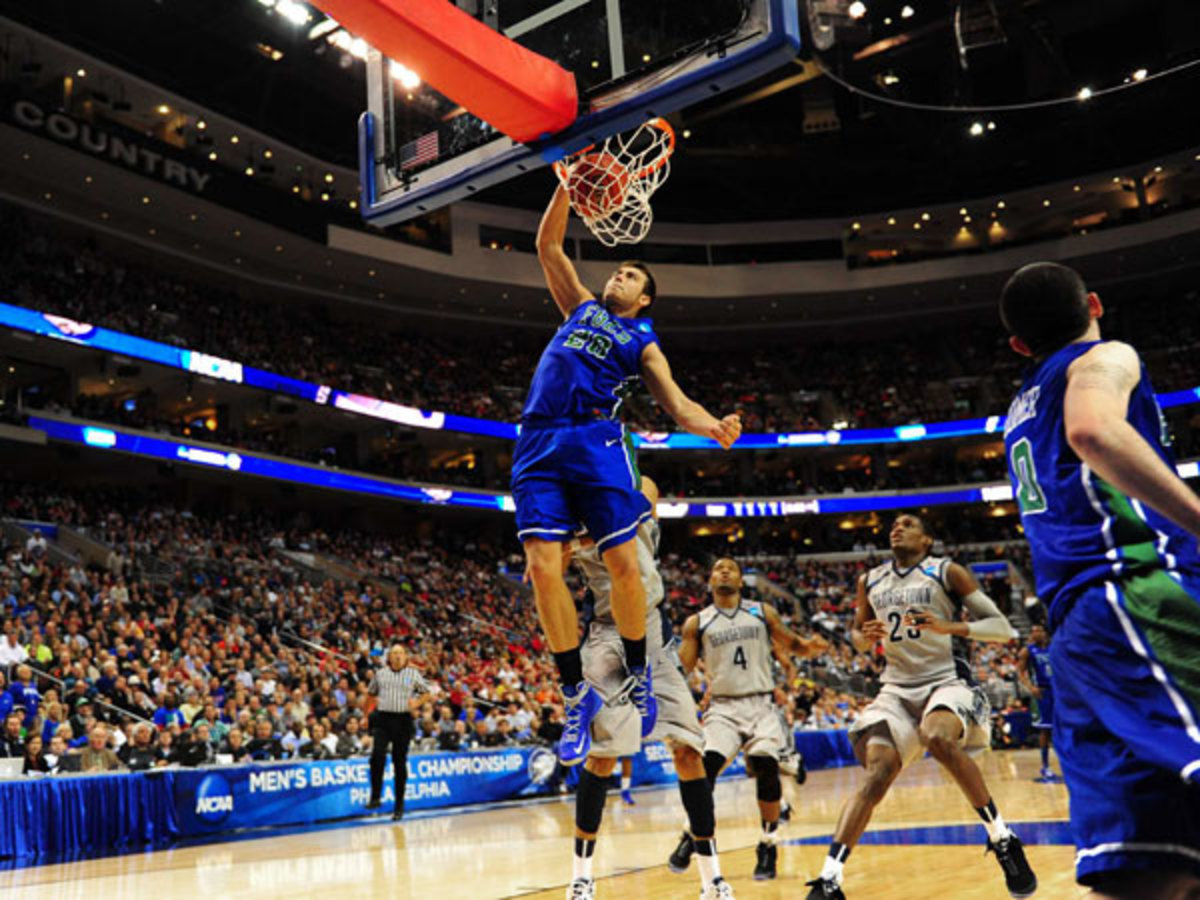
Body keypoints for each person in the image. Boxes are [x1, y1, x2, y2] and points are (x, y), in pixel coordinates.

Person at [516, 184, 742, 765]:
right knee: (543, 570)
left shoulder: (643, 340)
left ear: (645, 300)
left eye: (630, 277)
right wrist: (566, 184)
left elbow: (677, 405)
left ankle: (639, 674)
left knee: (621, 563)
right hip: (539, 437)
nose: (618, 278)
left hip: (597, 439)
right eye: (615, 272)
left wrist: (714, 426)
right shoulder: (581, 308)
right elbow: (547, 245)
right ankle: (574, 694)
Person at [999, 262, 1200, 899]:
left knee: (1147, 865)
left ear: (1020, 346)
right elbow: (1092, 428)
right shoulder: (1102, 356)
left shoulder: (1016, 410)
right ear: (1094, 304)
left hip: (1078, 640)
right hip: (1135, 596)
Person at [804, 514, 1034, 900]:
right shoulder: (870, 580)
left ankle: (1002, 837)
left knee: (936, 736)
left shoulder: (948, 572)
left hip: (947, 679)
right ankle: (830, 879)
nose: (897, 527)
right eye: (894, 524)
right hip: (895, 687)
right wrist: (865, 637)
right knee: (877, 772)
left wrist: (951, 627)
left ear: (927, 540)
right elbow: (859, 637)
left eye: (908, 523)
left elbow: (1002, 628)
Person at [563, 478, 734, 900]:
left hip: (654, 634)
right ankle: (581, 878)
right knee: (602, 760)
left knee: (689, 752)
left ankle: (712, 880)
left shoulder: (637, 492)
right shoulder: (571, 517)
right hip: (607, 636)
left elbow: (650, 489)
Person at [677, 558, 827, 883]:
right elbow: (681, 670)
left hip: (761, 703)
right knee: (706, 771)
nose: (725, 571)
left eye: (731, 568)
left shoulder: (762, 612)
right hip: (722, 707)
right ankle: (693, 832)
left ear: (742, 581)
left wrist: (809, 648)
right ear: (709, 581)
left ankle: (768, 843)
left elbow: (793, 643)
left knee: (767, 770)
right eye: (717, 568)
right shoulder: (697, 623)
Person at [366, 643, 432, 821]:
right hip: (383, 718)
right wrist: (367, 715)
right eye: (394, 653)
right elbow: (370, 693)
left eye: (400, 653)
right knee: (377, 756)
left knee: (399, 763)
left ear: (405, 656)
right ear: (388, 657)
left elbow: (427, 693)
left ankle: (399, 806)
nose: (397, 656)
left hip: (402, 720)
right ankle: (375, 796)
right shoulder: (380, 674)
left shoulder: (412, 674)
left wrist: (416, 704)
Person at [1017, 625, 1057, 782]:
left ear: (1045, 632)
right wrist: (1030, 687)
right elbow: (1020, 672)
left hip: (1058, 691)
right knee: (1045, 730)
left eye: (1038, 630)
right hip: (1043, 692)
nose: (1035, 633)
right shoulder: (1028, 651)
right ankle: (1045, 766)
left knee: (1063, 728)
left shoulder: (1055, 647)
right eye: (1032, 630)